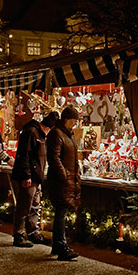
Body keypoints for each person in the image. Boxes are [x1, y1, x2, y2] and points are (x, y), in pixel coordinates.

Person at [11, 111, 59, 247]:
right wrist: (26, 175)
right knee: (24, 206)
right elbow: (24, 155)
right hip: (28, 177)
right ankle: (19, 234)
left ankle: (32, 232)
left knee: (34, 206)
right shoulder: (31, 133)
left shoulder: (41, 135)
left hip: (36, 177)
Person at [46, 106, 82, 261]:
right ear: (67, 119)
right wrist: (65, 175)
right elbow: (54, 158)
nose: (75, 124)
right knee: (61, 212)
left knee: (62, 212)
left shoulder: (67, 134)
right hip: (61, 181)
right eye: (74, 121)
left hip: (67, 179)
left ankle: (57, 245)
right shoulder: (56, 134)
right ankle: (61, 247)